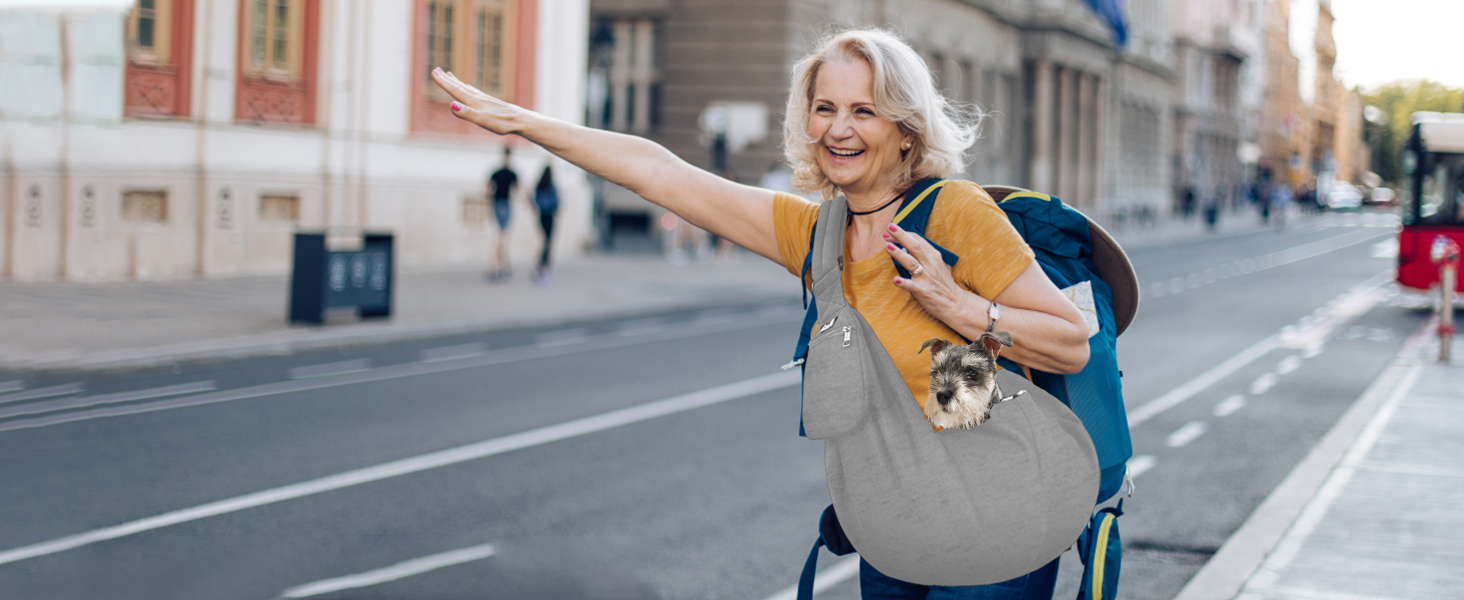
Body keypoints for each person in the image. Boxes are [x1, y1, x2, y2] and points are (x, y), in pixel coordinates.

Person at [432, 27, 1089, 598]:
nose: (838, 127)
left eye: (864, 110)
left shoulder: (957, 212)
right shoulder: (817, 236)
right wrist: (527, 124)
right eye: (824, 107)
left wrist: (961, 305)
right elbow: (659, 173)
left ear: (905, 130)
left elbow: (1069, 340)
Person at [488, 148, 519, 282]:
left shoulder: (496, 172)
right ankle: (498, 266)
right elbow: (516, 192)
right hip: (505, 204)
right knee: (502, 235)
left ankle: (502, 264)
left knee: (500, 235)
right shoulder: (512, 174)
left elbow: (487, 189)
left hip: (496, 203)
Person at [532, 165, 559, 285]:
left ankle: (540, 265)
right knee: (548, 242)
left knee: (544, 241)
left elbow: (535, 201)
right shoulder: (552, 186)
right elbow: (557, 202)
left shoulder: (539, 185)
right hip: (550, 216)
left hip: (542, 216)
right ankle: (543, 266)